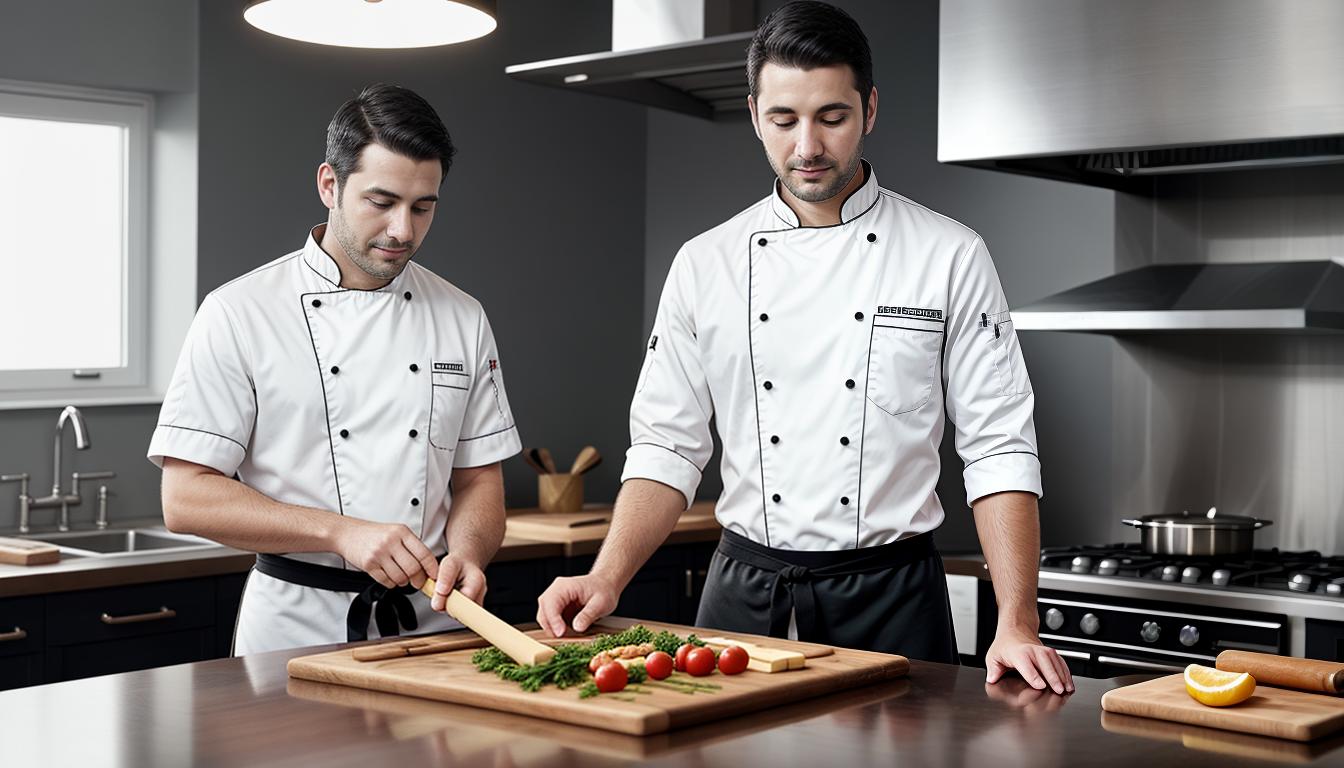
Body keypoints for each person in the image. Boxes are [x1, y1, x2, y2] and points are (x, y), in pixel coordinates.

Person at [536, 1, 1073, 695]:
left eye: (832, 117)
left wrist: (1018, 620)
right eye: (784, 120)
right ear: (756, 112)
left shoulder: (950, 254)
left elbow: (998, 445)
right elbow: (667, 446)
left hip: (893, 598)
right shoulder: (707, 263)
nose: (808, 147)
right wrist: (605, 578)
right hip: (741, 603)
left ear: (869, 108)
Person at [148, 84, 521, 654]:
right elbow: (185, 497)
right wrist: (339, 532)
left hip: (436, 627)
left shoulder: (462, 315)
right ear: (329, 185)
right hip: (294, 629)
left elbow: (478, 479)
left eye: (423, 207)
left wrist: (469, 553)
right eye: (381, 201)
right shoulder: (240, 312)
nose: (403, 230)